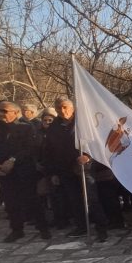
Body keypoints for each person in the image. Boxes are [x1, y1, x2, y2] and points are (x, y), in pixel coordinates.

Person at [0, 101, 50, 242]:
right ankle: (17, 229)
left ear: (15, 112)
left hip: (24, 169)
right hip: (3, 171)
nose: (0, 114)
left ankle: (43, 227)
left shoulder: (26, 128)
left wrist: (13, 160)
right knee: (10, 202)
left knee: (32, 199)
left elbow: (30, 148)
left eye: (4, 111)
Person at [42, 97, 109, 241]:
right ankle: (81, 226)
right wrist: (53, 172)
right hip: (64, 169)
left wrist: (87, 156)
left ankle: (101, 228)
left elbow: (97, 142)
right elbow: (49, 151)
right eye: (59, 107)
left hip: (84, 167)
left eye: (65, 107)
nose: (62, 110)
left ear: (72, 108)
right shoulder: (54, 127)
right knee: (74, 199)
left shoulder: (84, 122)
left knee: (91, 198)